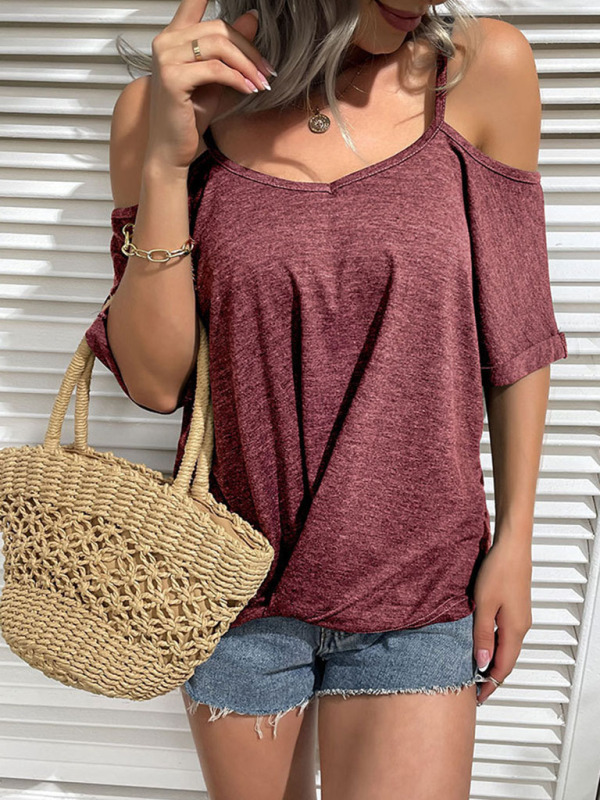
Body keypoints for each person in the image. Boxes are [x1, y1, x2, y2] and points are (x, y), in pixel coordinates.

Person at [83, 1, 568, 797]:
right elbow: (154, 381)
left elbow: (518, 332)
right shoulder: (165, 106)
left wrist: (516, 541)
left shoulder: (481, 72)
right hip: (235, 587)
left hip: (418, 585)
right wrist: (167, 165)